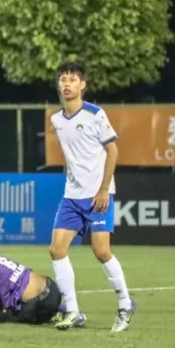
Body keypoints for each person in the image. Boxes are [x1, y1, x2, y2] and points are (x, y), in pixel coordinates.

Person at [48, 61, 135, 333]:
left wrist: (103, 189)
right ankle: (73, 310)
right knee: (56, 250)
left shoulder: (95, 114)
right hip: (71, 196)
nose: (67, 84)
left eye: (72, 79)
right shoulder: (56, 119)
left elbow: (113, 151)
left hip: (98, 195)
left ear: (82, 85)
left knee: (101, 251)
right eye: (63, 79)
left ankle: (125, 303)